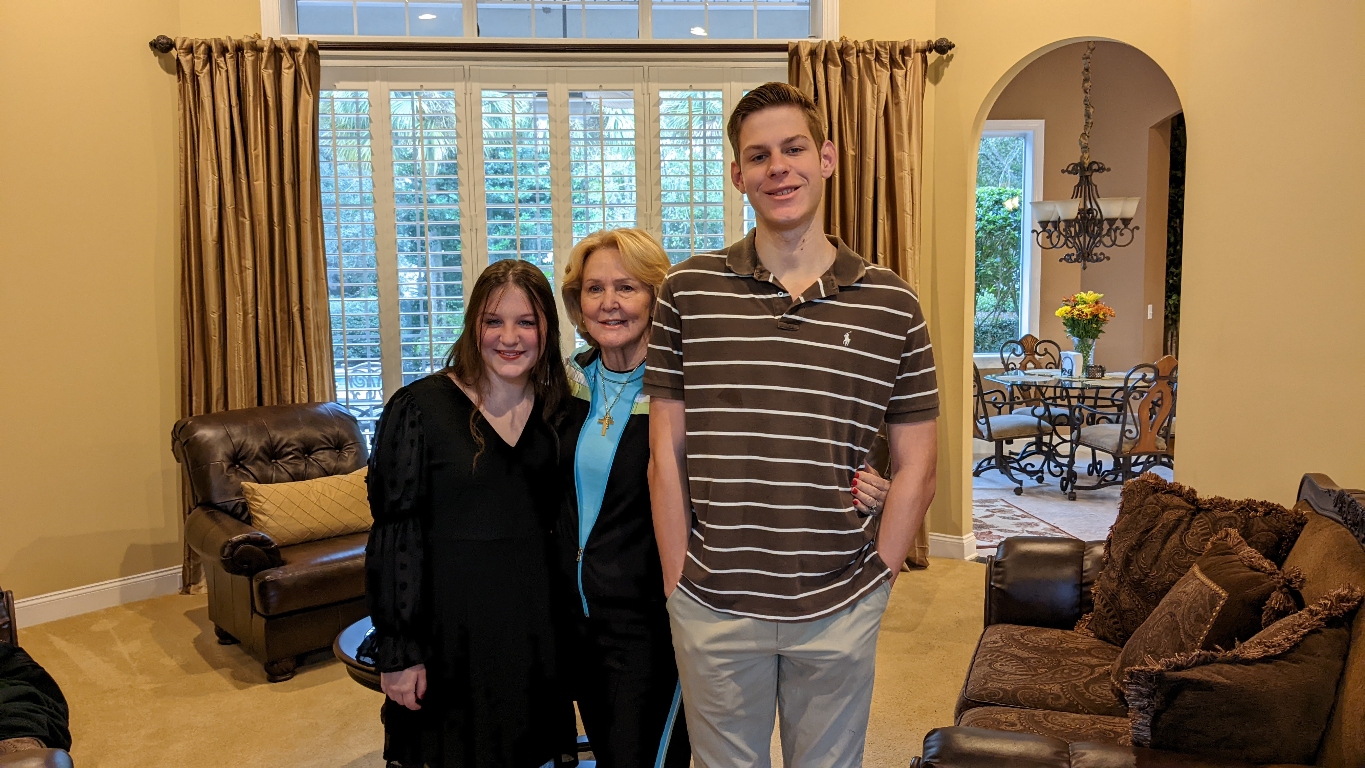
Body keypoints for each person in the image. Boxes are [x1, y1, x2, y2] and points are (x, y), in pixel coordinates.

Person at [644, 82, 940, 768]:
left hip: (840, 602)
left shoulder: (892, 303)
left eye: (793, 149)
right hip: (713, 601)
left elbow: (918, 464)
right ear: (737, 174)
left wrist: (879, 579)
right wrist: (677, 584)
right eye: (758, 156)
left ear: (826, 158)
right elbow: (665, 454)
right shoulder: (687, 292)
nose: (778, 167)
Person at [555, 228, 892, 768]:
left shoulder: (693, 387)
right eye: (594, 288)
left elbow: (778, 445)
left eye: (627, 287)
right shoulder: (568, 384)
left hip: (661, 613)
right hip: (584, 616)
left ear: (659, 298)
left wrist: (855, 481)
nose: (609, 302)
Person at [364, 259, 577, 768]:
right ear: (472, 327)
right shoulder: (418, 408)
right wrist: (400, 651)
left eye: (526, 322)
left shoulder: (561, 411)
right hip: (448, 634)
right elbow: (395, 536)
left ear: (547, 329)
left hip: (533, 631)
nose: (510, 338)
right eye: (493, 321)